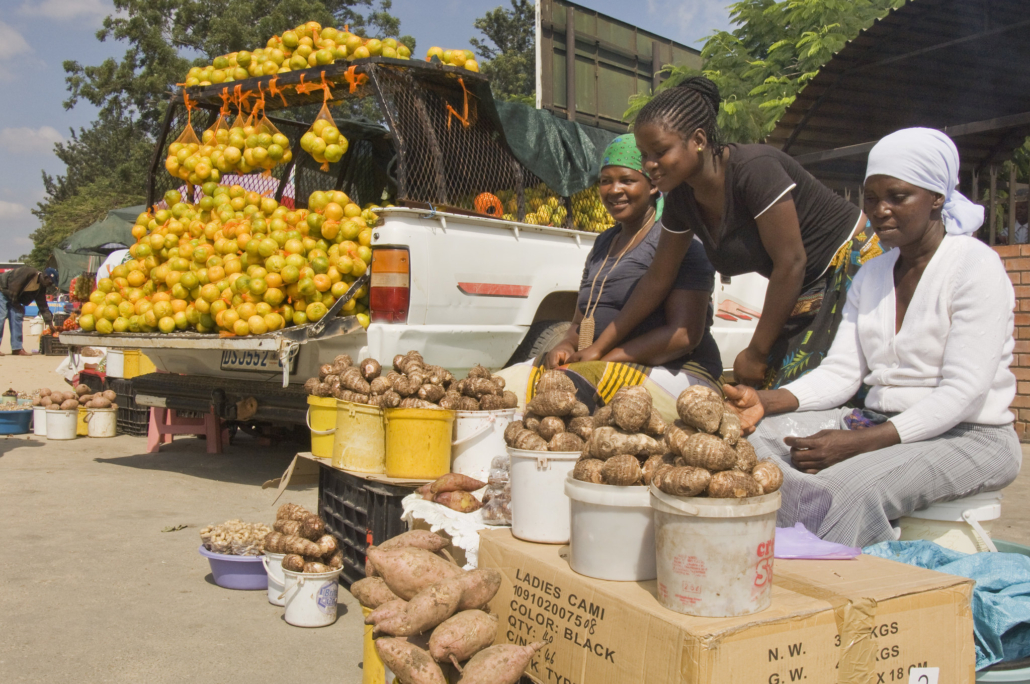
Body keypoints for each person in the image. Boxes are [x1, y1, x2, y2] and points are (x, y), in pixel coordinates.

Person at [723, 128, 1021, 547]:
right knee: (742, 444)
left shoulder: (974, 267)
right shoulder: (874, 272)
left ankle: (836, 593)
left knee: (845, 492)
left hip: (970, 437)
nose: (880, 211)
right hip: (877, 423)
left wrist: (858, 444)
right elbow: (843, 372)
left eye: (898, 197)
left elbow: (964, 394)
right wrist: (764, 402)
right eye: (871, 198)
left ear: (937, 197)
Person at [571, 76, 881, 389]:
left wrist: (757, 352)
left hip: (852, 265)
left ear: (699, 140)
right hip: (804, 284)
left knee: (826, 387)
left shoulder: (754, 170)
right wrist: (598, 350)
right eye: (644, 155)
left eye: (659, 151)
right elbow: (658, 278)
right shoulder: (681, 198)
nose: (650, 164)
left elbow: (791, 262)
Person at [525, 134, 720, 415]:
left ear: (653, 185)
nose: (614, 190)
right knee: (516, 380)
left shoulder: (678, 240)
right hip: (602, 365)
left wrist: (605, 358)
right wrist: (566, 345)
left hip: (678, 372)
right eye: (606, 181)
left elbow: (683, 336)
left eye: (627, 180)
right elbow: (580, 322)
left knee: (567, 389)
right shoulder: (604, 242)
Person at [0, 266, 55, 355]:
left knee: (17, 317)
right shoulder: (28, 272)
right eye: (50, 282)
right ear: (45, 277)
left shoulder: (41, 287)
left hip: (15, 297)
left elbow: (43, 305)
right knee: (1, 316)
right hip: (3, 290)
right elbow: (14, 289)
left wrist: (49, 322)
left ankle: (17, 348)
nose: (49, 285)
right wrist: (18, 306)